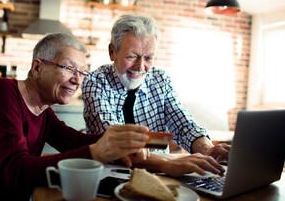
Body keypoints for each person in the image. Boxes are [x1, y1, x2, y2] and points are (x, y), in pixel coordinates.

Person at [0, 33, 150, 201]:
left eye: (82, 73)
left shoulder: (43, 112)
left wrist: (119, 142)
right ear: (37, 67)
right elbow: (16, 171)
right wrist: (97, 151)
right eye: (69, 68)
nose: (77, 80)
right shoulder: (2, 91)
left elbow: (74, 141)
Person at [81, 14, 230, 176]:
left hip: (160, 175)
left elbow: (183, 125)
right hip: (110, 174)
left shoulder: (161, 79)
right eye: (132, 56)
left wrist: (208, 150)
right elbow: (115, 145)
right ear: (112, 52)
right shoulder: (95, 82)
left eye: (148, 58)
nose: (140, 66)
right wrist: (169, 163)